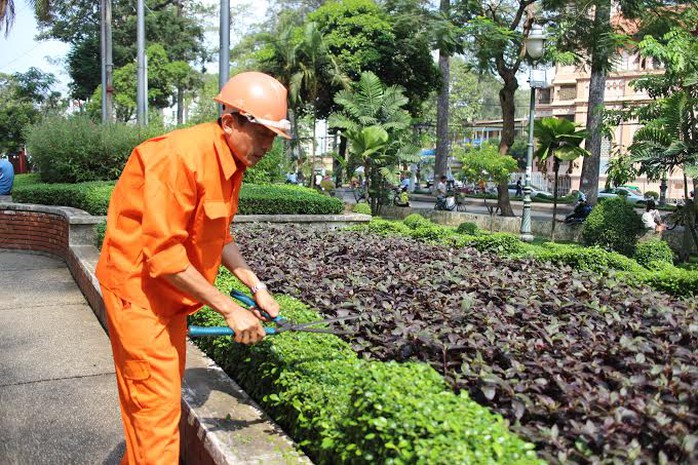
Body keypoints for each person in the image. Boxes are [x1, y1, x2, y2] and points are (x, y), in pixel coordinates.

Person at [95, 71, 291, 464]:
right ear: (231, 121)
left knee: (157, 406)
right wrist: (231, 309)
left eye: (274, 138)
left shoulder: (233, 163)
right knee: (156, 418)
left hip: (170, 300)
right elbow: (164, 258)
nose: (268, 147)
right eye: (263, 135)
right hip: (140, 296)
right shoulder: (178, 156)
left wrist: (255, 287)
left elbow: (219, 236)